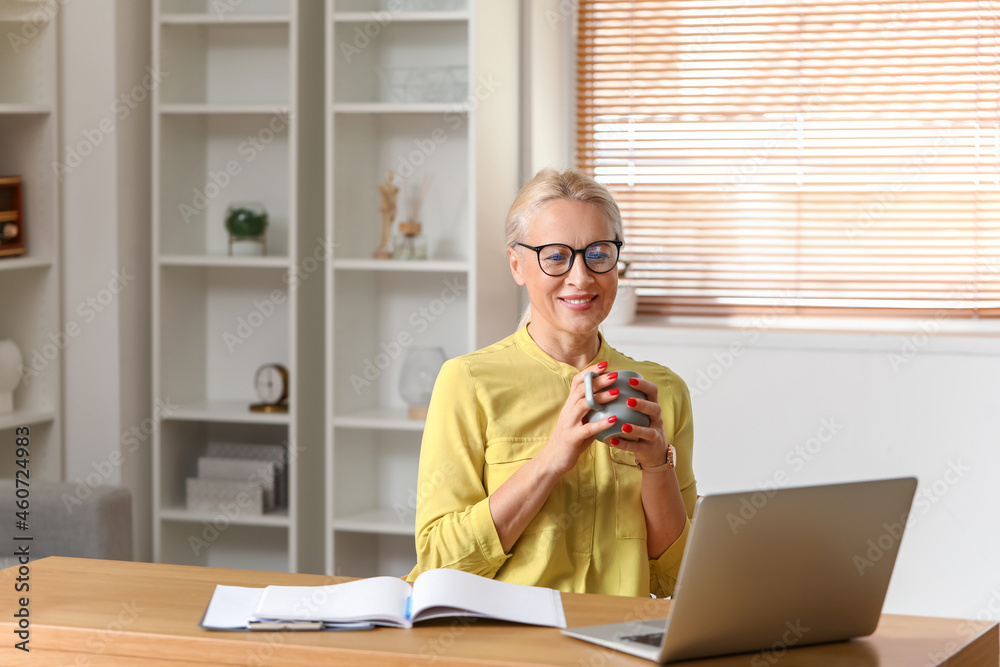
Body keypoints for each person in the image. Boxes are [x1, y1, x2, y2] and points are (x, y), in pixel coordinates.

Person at [405, 168, 697, 597]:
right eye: (556, 256)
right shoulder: (467, 381)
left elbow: (676, 578)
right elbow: (440, 564)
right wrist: (552, 459)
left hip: (618, 645)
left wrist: (657, 466)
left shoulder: (662, 393)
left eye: (598, 253)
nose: (581, 278)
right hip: (511, 647)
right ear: (516, 264)